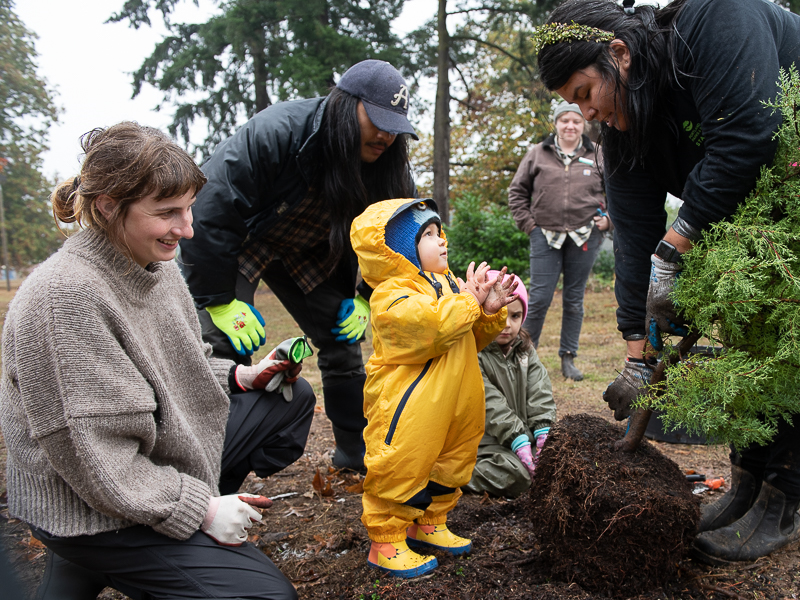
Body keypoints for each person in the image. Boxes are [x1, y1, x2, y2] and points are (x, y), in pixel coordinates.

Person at [0, 122, 316, 600]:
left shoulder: (153, 264)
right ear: (108, 206)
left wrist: (242, 375)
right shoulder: (64, 299)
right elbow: (98, 461)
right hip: (94, 505)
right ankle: (103, 554)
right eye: (167, 212)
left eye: (188, 209)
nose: (187, 229)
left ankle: (101, 566)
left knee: (288, 399)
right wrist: (201, 509)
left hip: (142, 460)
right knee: (268, 597)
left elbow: (178, 367)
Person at [534, 0, 800, 565]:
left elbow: (747, 135)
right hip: (756, 222)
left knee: (788, 340)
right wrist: (636, 352)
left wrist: (676, 245)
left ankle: (786, 500)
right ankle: (749, 483)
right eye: (573, 104)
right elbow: (634, 237)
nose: (587, 112)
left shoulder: (716, 19)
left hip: (789, 190)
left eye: (585, 93)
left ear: (619, 55)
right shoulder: (626, 131)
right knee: (750, 344)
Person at [179, 59, 418, 474]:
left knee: (342, 343)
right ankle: (210, 466)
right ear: (346, 106)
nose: (386, 135)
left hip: (310, 249)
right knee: (221, 341)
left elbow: (397, 234)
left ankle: (355, 452)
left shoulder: (388, 164)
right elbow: (210, 207)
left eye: (394, 126)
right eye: (378, 122)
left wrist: (365, 297)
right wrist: (218, 301)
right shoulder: (278, 131)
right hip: (246, 239)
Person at [349, 198, 518, 578]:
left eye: (439, 231)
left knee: (452, 460)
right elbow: (432, 327)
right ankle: (386, 540)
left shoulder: (450, 284)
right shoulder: (391, 294)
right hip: (410, 405)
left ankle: (430, 522)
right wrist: (469, 301)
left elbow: (469, 337)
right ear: (397, 249)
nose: (441, 240)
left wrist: (488, 312)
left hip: (457, 397)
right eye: (427, 234)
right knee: (402, 464)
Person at [509, 100, 610, 382]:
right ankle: (523, 355)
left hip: (585, 235)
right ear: (556, 123)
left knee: (574, 299)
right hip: (545, 234)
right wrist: (530, 226)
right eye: (564, 120)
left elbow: (617, 189)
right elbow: (517, 192)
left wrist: (610, 220)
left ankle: (568, 358)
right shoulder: (537, 153)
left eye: (576, 121)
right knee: (539, 298)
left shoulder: (598, 154)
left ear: (584, 124)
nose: (570, 126)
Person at [465, 271, 557, 498]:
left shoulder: (525, 350)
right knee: (519, 475)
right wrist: (516, 437)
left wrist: (543, 432)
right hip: (486, 444)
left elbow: (540, 393)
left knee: (556, 461)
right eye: (500, 314)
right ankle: (454, 479)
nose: (507, 325)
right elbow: (490, 404)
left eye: (515, 316)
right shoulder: (473, 352)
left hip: (521, 438)